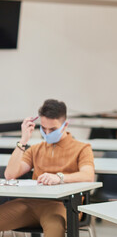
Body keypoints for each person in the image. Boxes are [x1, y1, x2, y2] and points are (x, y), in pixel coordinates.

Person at [0, 99, 95, 237]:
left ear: (65, 125)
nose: (47, 132)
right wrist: (23, 140)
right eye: (43, 128)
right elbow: (10, 175)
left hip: (62, 206)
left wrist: (60, 177)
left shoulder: (82, 148)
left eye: (52, 129)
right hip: (29, 204)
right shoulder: (36, 149)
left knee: (55, 228)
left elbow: (88, 175)